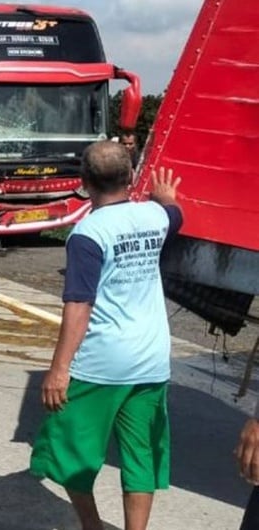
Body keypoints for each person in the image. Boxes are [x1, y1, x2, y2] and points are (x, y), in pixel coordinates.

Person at [28, 141, 183, 530]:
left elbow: (79, 305)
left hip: (102, 364)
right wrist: (165, 197)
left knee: (68, 451)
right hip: (151, 361)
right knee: (140, 455)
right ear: (131, 177)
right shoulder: (156, 217)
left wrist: (59, 369)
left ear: (83, 183)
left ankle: (92, 525)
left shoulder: (87, 234)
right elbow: (174, 213)